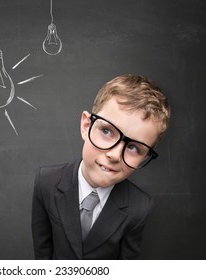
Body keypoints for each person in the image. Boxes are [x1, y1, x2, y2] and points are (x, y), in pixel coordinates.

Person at [31, 74, 170, 259]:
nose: (114, 155)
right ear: (86, 125)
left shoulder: (140, 206)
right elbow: (42, 250)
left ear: (144, 158)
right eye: (107, 131)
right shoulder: (46, 181)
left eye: (133, 147)